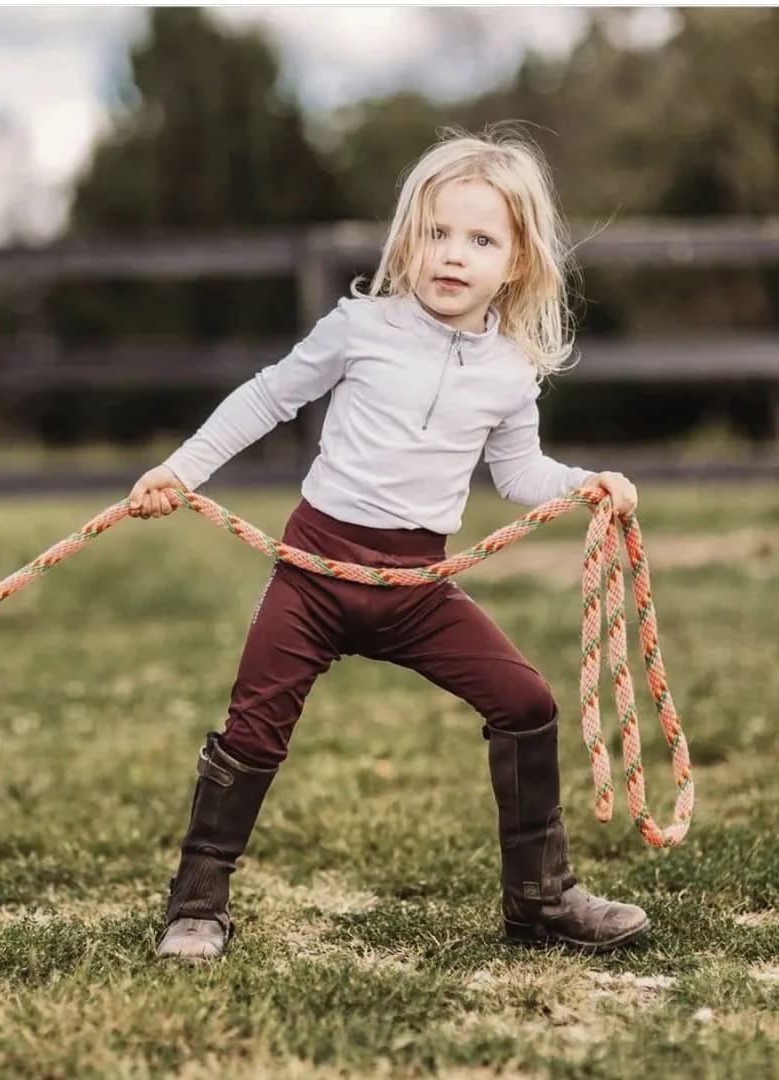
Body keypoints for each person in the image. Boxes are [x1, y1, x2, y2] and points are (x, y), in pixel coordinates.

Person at [128, 126, 647, 962]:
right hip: (313, 573)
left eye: (480, 239)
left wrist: (586, 482)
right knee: (253, 727)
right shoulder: (360, 327)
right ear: (410, 238)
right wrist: (179, 472)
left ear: (514, 262)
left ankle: (541, 901)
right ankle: (197, 902)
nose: (453, 254)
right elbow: (267, 399)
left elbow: (519, 473)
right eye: (437, 232)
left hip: (416, 588)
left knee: (527, 704)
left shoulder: (511, 371)